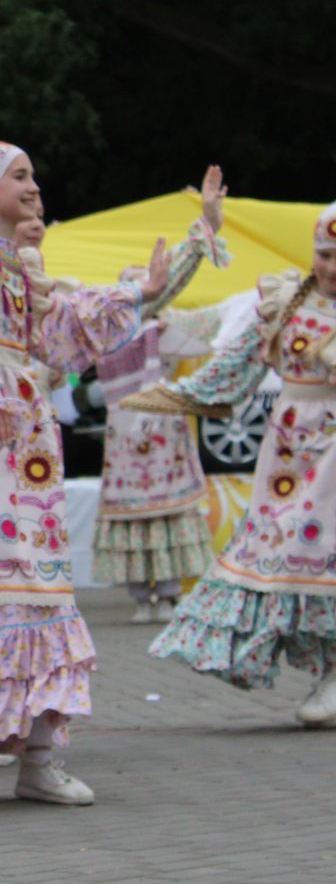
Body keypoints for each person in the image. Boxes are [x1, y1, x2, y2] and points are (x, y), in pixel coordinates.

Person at [0, 140, 168, 805]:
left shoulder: (17, 267)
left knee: (44, 590)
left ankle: (39, 761)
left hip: (25, 437)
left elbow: (60, 332)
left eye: (35, 175)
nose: (35, 187)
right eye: (20, 176)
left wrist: (142, 292)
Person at [141, 198, 336, 729]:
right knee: (281, 550)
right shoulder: (286, 301)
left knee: (316, 546)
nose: (331, 266)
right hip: (291, 448)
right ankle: (327, 668)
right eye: (325, 253)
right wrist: (179, 396)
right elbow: (235, 362)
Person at [90, 167, 231, 622]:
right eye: (131, 283)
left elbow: (216, 326)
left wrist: (206, 225)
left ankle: (169, 593)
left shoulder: (162, 329)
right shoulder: (107, 330)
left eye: (145, 281)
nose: (141, 289)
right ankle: (140, 596)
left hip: (161, 431)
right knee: (132, 516)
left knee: (166, 513)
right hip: (126, 436)